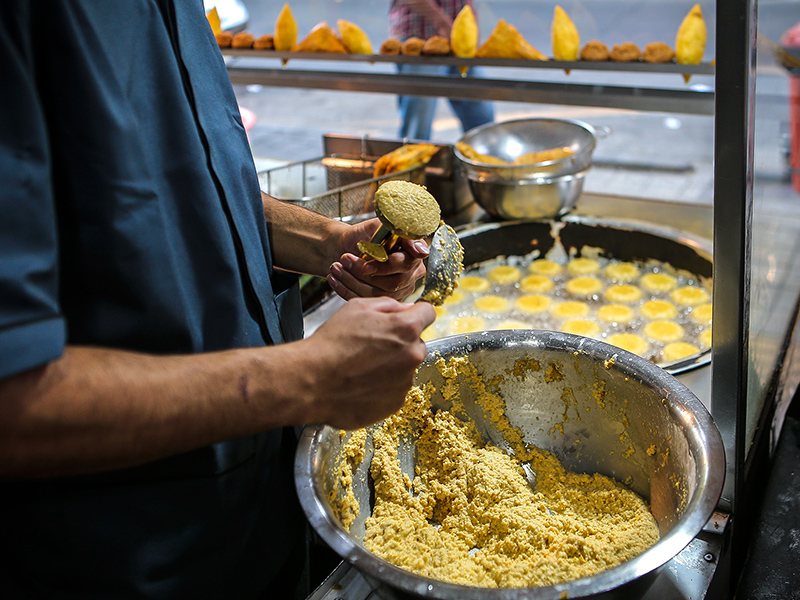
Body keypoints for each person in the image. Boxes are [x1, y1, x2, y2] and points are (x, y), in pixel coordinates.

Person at [0, 1, 435, 599]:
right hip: (130, 558)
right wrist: (305, 378)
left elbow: (188, 183)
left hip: (263, 513)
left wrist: (327, 241)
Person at [389, 0, 495, 140]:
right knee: (417, 128)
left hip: (460, 37)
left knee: (482, 119)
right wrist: (442, 24)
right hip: (420, 37)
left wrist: (472, 25)